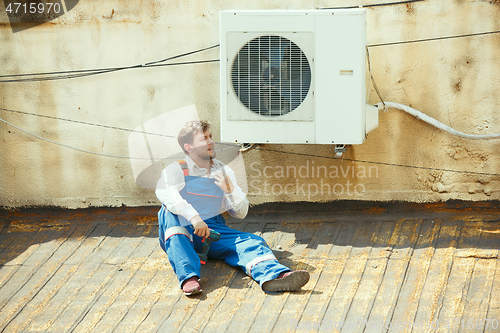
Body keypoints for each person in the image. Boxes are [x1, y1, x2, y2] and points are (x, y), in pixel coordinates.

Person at [155, 120, 309, 296]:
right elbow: (167, 195)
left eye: (210, 137)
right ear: (188, 147)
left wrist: (231, 191)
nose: (211, 141)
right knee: (169, 213)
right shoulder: (175, 170)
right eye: (203, 139)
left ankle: (275, 276)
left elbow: (241, 213)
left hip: (211, 231)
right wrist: (194, 218)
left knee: (252, 241)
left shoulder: (223, 171)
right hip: (182, 233)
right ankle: (188, 277)